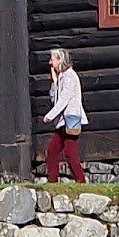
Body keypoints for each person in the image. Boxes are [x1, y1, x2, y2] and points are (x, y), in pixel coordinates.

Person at [43, 47, 87, 184]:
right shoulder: (62, 77)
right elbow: (54, 98)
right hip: (62, 122)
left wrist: (50, 115)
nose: (50, 63)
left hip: (70, 119)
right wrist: (54, 82)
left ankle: (81, 181)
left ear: (60, 60)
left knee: (69, 153)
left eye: (52, 59)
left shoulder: (69, 76)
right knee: (52, 151)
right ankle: (52, 181)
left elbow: (64, 99)